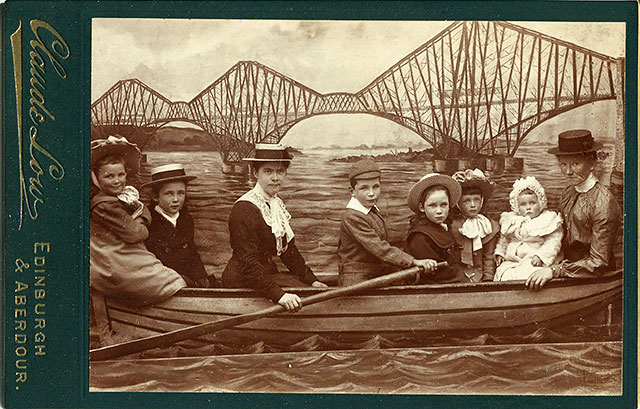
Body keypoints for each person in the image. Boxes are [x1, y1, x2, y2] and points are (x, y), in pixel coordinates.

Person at [222, 144, 327, 312]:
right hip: (242, 279)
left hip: (265, 275)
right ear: (255, 173)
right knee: (302, 297)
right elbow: (248, 262)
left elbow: (288, 252)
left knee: (308, 290)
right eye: (268, 171)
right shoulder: (244, 208)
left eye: (280, 171)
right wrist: (279, 295)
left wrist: (311, 281)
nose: (275, 178)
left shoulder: (275, 204)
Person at [90, 136, 187, 305]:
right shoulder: (104, 204)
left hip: (121, 256)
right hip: (113, 261)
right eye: (109, 176)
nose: (117, 181)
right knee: (172, 281)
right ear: (96, 179)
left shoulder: (117, 199)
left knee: (167, 274)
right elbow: (136, 233)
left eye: (121, 174)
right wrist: (143, 218)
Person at [526, 129, 622, 290]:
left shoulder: (604, 203)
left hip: (592, 279)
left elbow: (598, 262)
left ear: (592, 163)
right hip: (563, 269)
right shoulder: (568, 192)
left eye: (575, 164)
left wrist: (555, 271)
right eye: (563, 164)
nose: (568, 171)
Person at [337, 159, 438, 286]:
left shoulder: (371, 211)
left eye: (376, 186)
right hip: (356, 278)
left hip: (373, 272)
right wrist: (413, 261)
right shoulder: (352, 216)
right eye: (364, 188)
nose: (371, 193)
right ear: (352, 191)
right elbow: (379, 248)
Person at [142, 163, 219, 288]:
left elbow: (192, 253)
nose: (176, 199)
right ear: (156, 196)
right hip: (163, 281)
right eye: (169, 194)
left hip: (187, 277)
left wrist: (200, 276)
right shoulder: (149, 221)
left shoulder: (186, 220)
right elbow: (149, 261)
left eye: (181, 193)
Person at [493, 176, 563, 281]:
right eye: (523, 204)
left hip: (533, 260)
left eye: (532, 203)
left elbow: (553, 243)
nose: (528, 207)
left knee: (529, 275)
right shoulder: (512, 220)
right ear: (517, 206)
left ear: (540, 202)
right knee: (504, 274)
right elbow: (504, 240)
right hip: (513, 260)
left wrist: (540, 256)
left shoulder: (547, 219)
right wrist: (500, 253)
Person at [405, 173, 467, 284]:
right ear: (422, 207)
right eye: (432, 205)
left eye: (443, 204)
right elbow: (439, 273)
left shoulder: (444, 228)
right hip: (433, 286)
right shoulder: (419, 236)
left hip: (452, 280)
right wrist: (464, 280)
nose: (439, 211)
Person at [450, 169, 500, 282]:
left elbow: (489, 257)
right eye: (466, 201)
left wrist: (488, 279)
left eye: (476, 200)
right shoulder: (452, 226)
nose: (473, 205)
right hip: (459, 277)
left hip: (481, 276)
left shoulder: (488, 226)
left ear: (482, 201)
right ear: (458, 204)